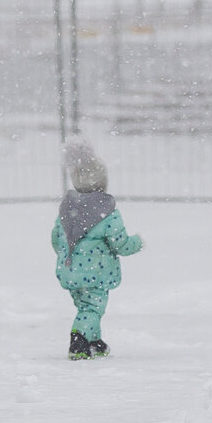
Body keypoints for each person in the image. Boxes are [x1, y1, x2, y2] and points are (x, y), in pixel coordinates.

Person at [51, 138, 143, 360]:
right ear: (103, 182)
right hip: (96, 273)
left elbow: (55, 238)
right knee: (93, 308)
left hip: (70, 270)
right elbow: (120, 243)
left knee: (85, 306)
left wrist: (68, 256)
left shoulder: (67, 209)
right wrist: (137, 243)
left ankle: (94, 341)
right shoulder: (107, 212)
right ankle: (79, 339)